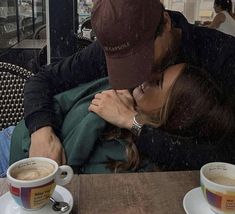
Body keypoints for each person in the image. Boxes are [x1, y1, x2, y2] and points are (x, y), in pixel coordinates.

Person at [23, 0, 235, 165]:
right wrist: (41, 131)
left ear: (167, 22)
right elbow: (42, 80)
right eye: (125, 66)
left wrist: (134, 123)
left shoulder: (223, 56)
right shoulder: (113, 45)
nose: (140, 76)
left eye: (143, 58)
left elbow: (225, 157)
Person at [1, 63, 234, 177]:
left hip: (29, 183)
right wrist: (42, 132)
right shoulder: (115, 86)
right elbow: (57, 98)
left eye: (159, 82)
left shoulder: (141, 157)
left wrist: (128, 120)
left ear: (173, 114)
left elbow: (71, 179)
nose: (148, 77)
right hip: (14, 143)